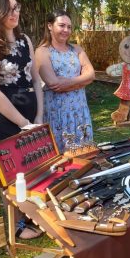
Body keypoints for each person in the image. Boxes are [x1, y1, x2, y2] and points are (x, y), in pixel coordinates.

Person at [0, 0, 43, 239]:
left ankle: (33, 216)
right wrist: (22, 122)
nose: (14, 13)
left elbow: (35, 80)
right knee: (11, 175)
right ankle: (16, 226)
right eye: (7, 9)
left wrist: (38, 117)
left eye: (16, 7)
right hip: (4, 121)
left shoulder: (25, 39)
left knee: (34, 168)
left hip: (30, 119)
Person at [35, 9, 95, 152]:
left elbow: (91, 74)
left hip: (80, 112)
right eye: (61, 25)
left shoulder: (76, 49)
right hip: (58, 114)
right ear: (50, 26)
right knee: (61, 157)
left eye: (69, 27)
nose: (66, 30)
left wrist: (66, 82)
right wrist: (82, 81)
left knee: (85, 155)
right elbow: (53, 84)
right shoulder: (42, 51)